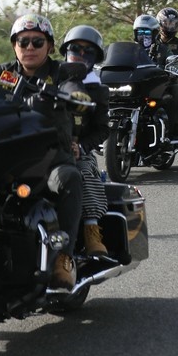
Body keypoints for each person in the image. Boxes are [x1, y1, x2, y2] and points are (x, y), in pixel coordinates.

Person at [0, 14, 85, 290]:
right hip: (5, 158)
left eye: (37, 42)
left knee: (69, 179)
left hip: (49, 159)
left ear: (49, 46)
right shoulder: (1, 74)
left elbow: (73, 86)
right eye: (23, 41)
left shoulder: (61, 73)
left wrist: (75, 95)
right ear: (14, 45)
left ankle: (64, 258)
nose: (29, 47)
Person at [59, 24, 110, 257]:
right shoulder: (50, 77)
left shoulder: (97, 89)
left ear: (95, 58)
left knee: (83, 170)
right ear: (65, 51)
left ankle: (91, 229)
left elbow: (102, 130)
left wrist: (81, 146)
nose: (80, 54)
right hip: (43, 145)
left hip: (75, 148)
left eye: (87, 51)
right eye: (75, 49)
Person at [148, 7, 178, 141]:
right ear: (159, 23)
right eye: (167, 23)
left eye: (173, 23)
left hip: (168, 83)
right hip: (147, 82)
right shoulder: (150, 42)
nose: (170, 27)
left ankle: (177, 128)